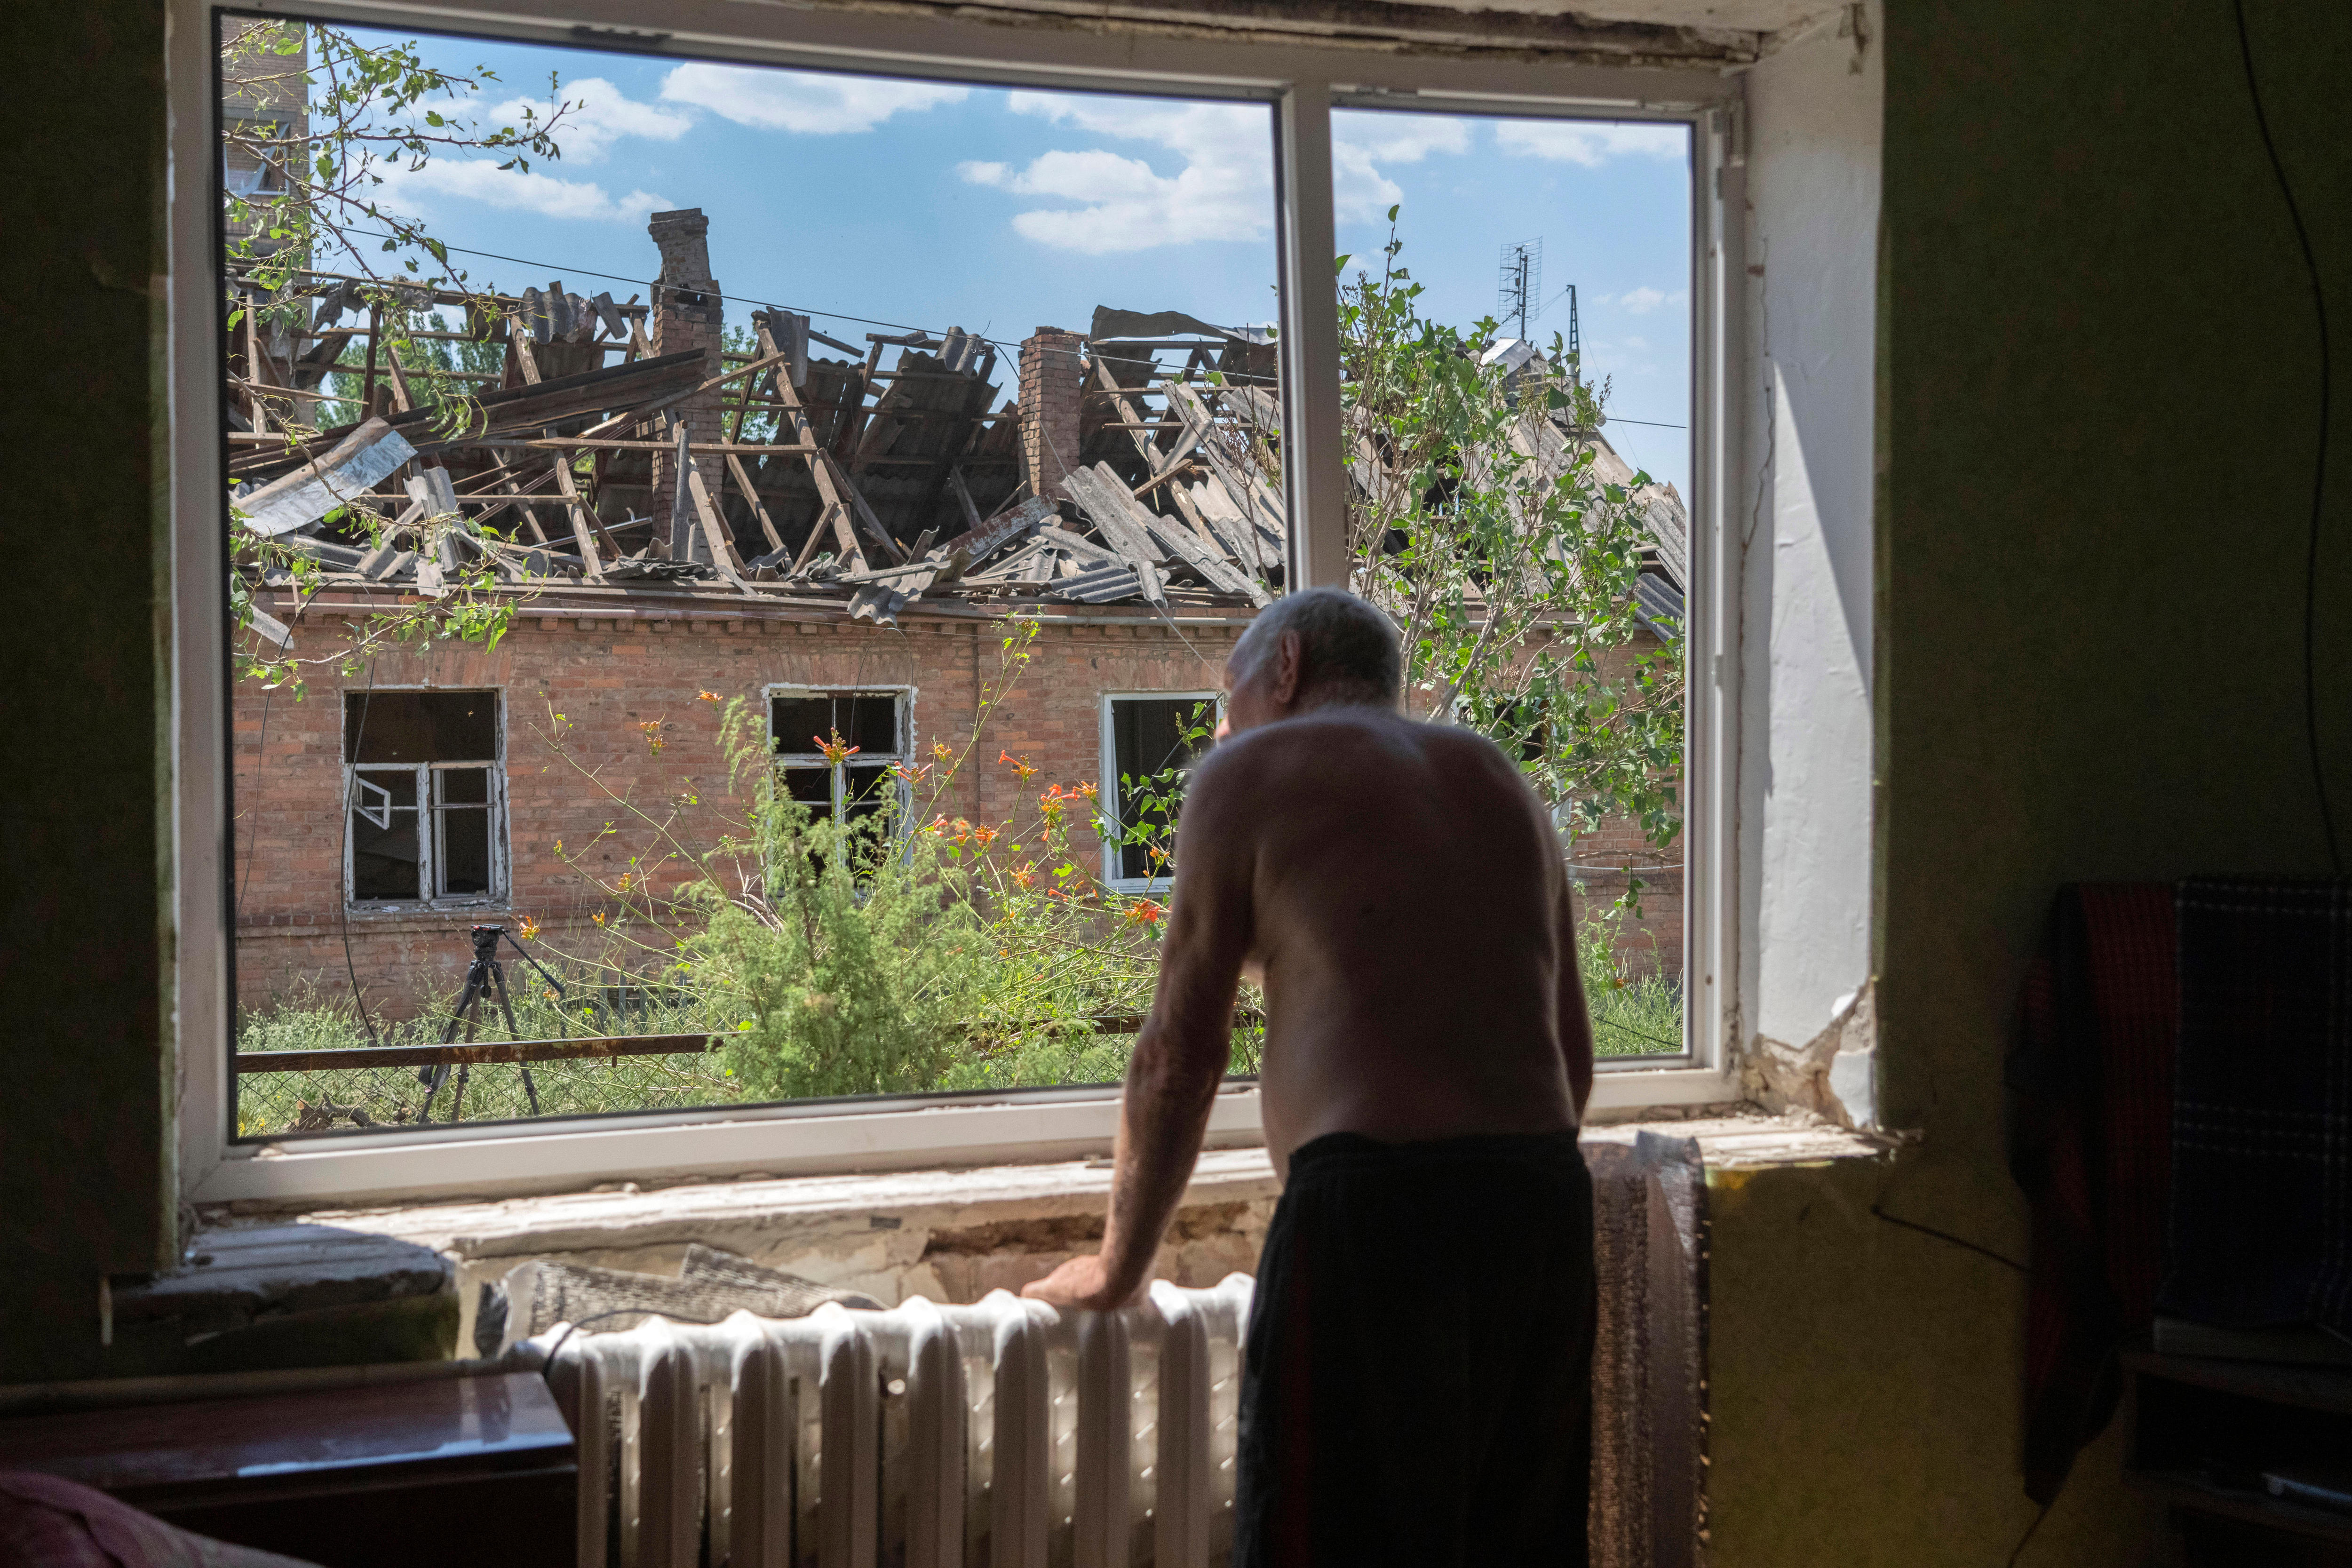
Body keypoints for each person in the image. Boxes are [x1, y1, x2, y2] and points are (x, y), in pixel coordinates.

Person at [1023, 586, 1598, 1566]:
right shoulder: (1495, 776)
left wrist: (1119, 1266)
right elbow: (1570, 1055)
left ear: (1285, 665)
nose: (1220, 719)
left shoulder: (1250, 768)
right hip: (1540, 1204)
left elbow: (1178, 1050)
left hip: (1371, 1219)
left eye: (1228, 688)